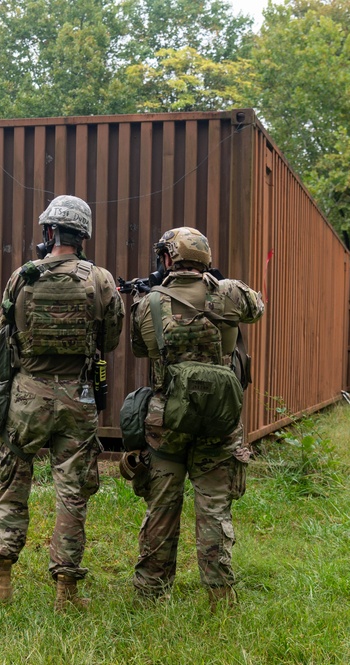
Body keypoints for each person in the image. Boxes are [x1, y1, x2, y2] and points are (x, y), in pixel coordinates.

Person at [0, 195, 124, 611]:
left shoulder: (22, 277)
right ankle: (66, 591)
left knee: (12, 483)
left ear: (49, 233)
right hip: (77, 398)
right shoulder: (99, 279)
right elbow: (111, 339)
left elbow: (3, 335)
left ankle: (0, 579)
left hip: (27, 396)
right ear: (82, 236)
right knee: (72, 492)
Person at [128, 226, 264, 610]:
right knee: (214, 510)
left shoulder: (147, 302)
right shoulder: (231, 293)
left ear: (168, 259)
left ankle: (151, 595)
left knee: (162, 509)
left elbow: (141, 350)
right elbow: (258, 308)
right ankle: (220, 596)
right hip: (218, 423)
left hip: (167, 421)